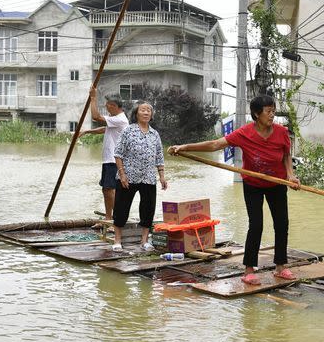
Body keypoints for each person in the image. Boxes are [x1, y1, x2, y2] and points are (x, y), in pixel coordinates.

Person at [168, 95, 300, 285]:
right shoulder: (244, 133)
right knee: (256, 225)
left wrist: (290, 175)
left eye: (273, 111)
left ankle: (280, 267)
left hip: (277, 183)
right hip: (253, 184)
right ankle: (248, 271)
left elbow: (286, 155)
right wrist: (185, 147)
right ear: (256, 114)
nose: (272, 115)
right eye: (268, 111)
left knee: (282, 224)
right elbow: (215, 144)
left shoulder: (281, 132)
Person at [112, 101, 167, 252]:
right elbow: (118, 154)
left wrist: (161, 176)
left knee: (148, 209)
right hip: (128, 177)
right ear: (136, 113)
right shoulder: (128, 131)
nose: (146, 113)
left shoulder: (154, 134)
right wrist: (122, 174)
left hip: (148, 177)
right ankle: (117, 240)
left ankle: (144, 241)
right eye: (143, 110)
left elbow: (159, 156)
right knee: (121, 208)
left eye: (149, 110)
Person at [79, 88, 129, 220]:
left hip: (114, 160)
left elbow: (96, 117)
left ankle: (113, 219)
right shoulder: (115, 119)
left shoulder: (120, 119)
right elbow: (104, 129)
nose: (106, 108)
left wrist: (93, 98)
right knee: (106, 190)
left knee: (110, 189)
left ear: (113, 106)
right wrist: (87, 131)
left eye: (107, 105)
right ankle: (108, 218)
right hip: (109, 160)